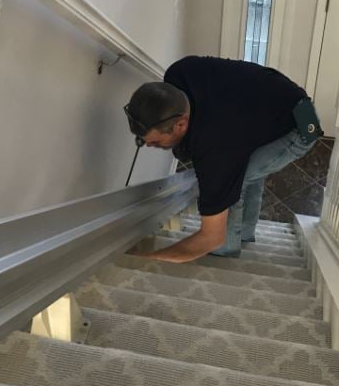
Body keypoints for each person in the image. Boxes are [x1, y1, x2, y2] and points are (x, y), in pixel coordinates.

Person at [123, 55, 323, 263]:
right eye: (143, 141)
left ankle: (226, 252)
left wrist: (147, 260)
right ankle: (244, 233)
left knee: (236, 181)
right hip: (270, 103)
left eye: (155, 142)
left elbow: (210, 238)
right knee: (243, 171)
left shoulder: (215, 148)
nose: (149, 146)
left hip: (300, 127)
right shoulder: (179, 72)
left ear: (181, 124)